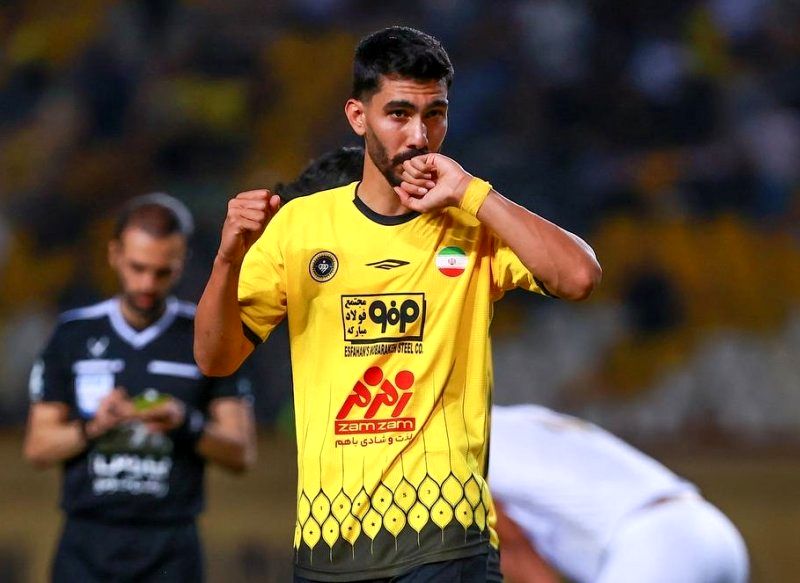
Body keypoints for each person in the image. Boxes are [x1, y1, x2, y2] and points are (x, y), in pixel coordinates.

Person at [194, 26, 601, 582]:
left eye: (435, 115)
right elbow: (214, 358)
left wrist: (473, 192)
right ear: (358, 117)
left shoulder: (471, 222)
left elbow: (579, 277)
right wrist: (226, 261)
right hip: (329, 543)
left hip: (445, 537)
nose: (419, 135)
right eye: (399, 114)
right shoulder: (299, 226)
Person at [24, 193, 257, 582]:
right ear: (114, 254)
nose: (147, 283)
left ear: (182, 261)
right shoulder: (73, 334)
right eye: (138, 268)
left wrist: (183, 422)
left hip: (170, 546)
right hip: (86, 543)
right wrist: (95, 426)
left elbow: (241, 453)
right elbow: (38, 447)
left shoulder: (206, 337)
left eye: (162, 272)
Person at [489, 405, 750, 583]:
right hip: (710, 532)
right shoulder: (511, 420)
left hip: (657, 543)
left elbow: (508, 543)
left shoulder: (467, 443)